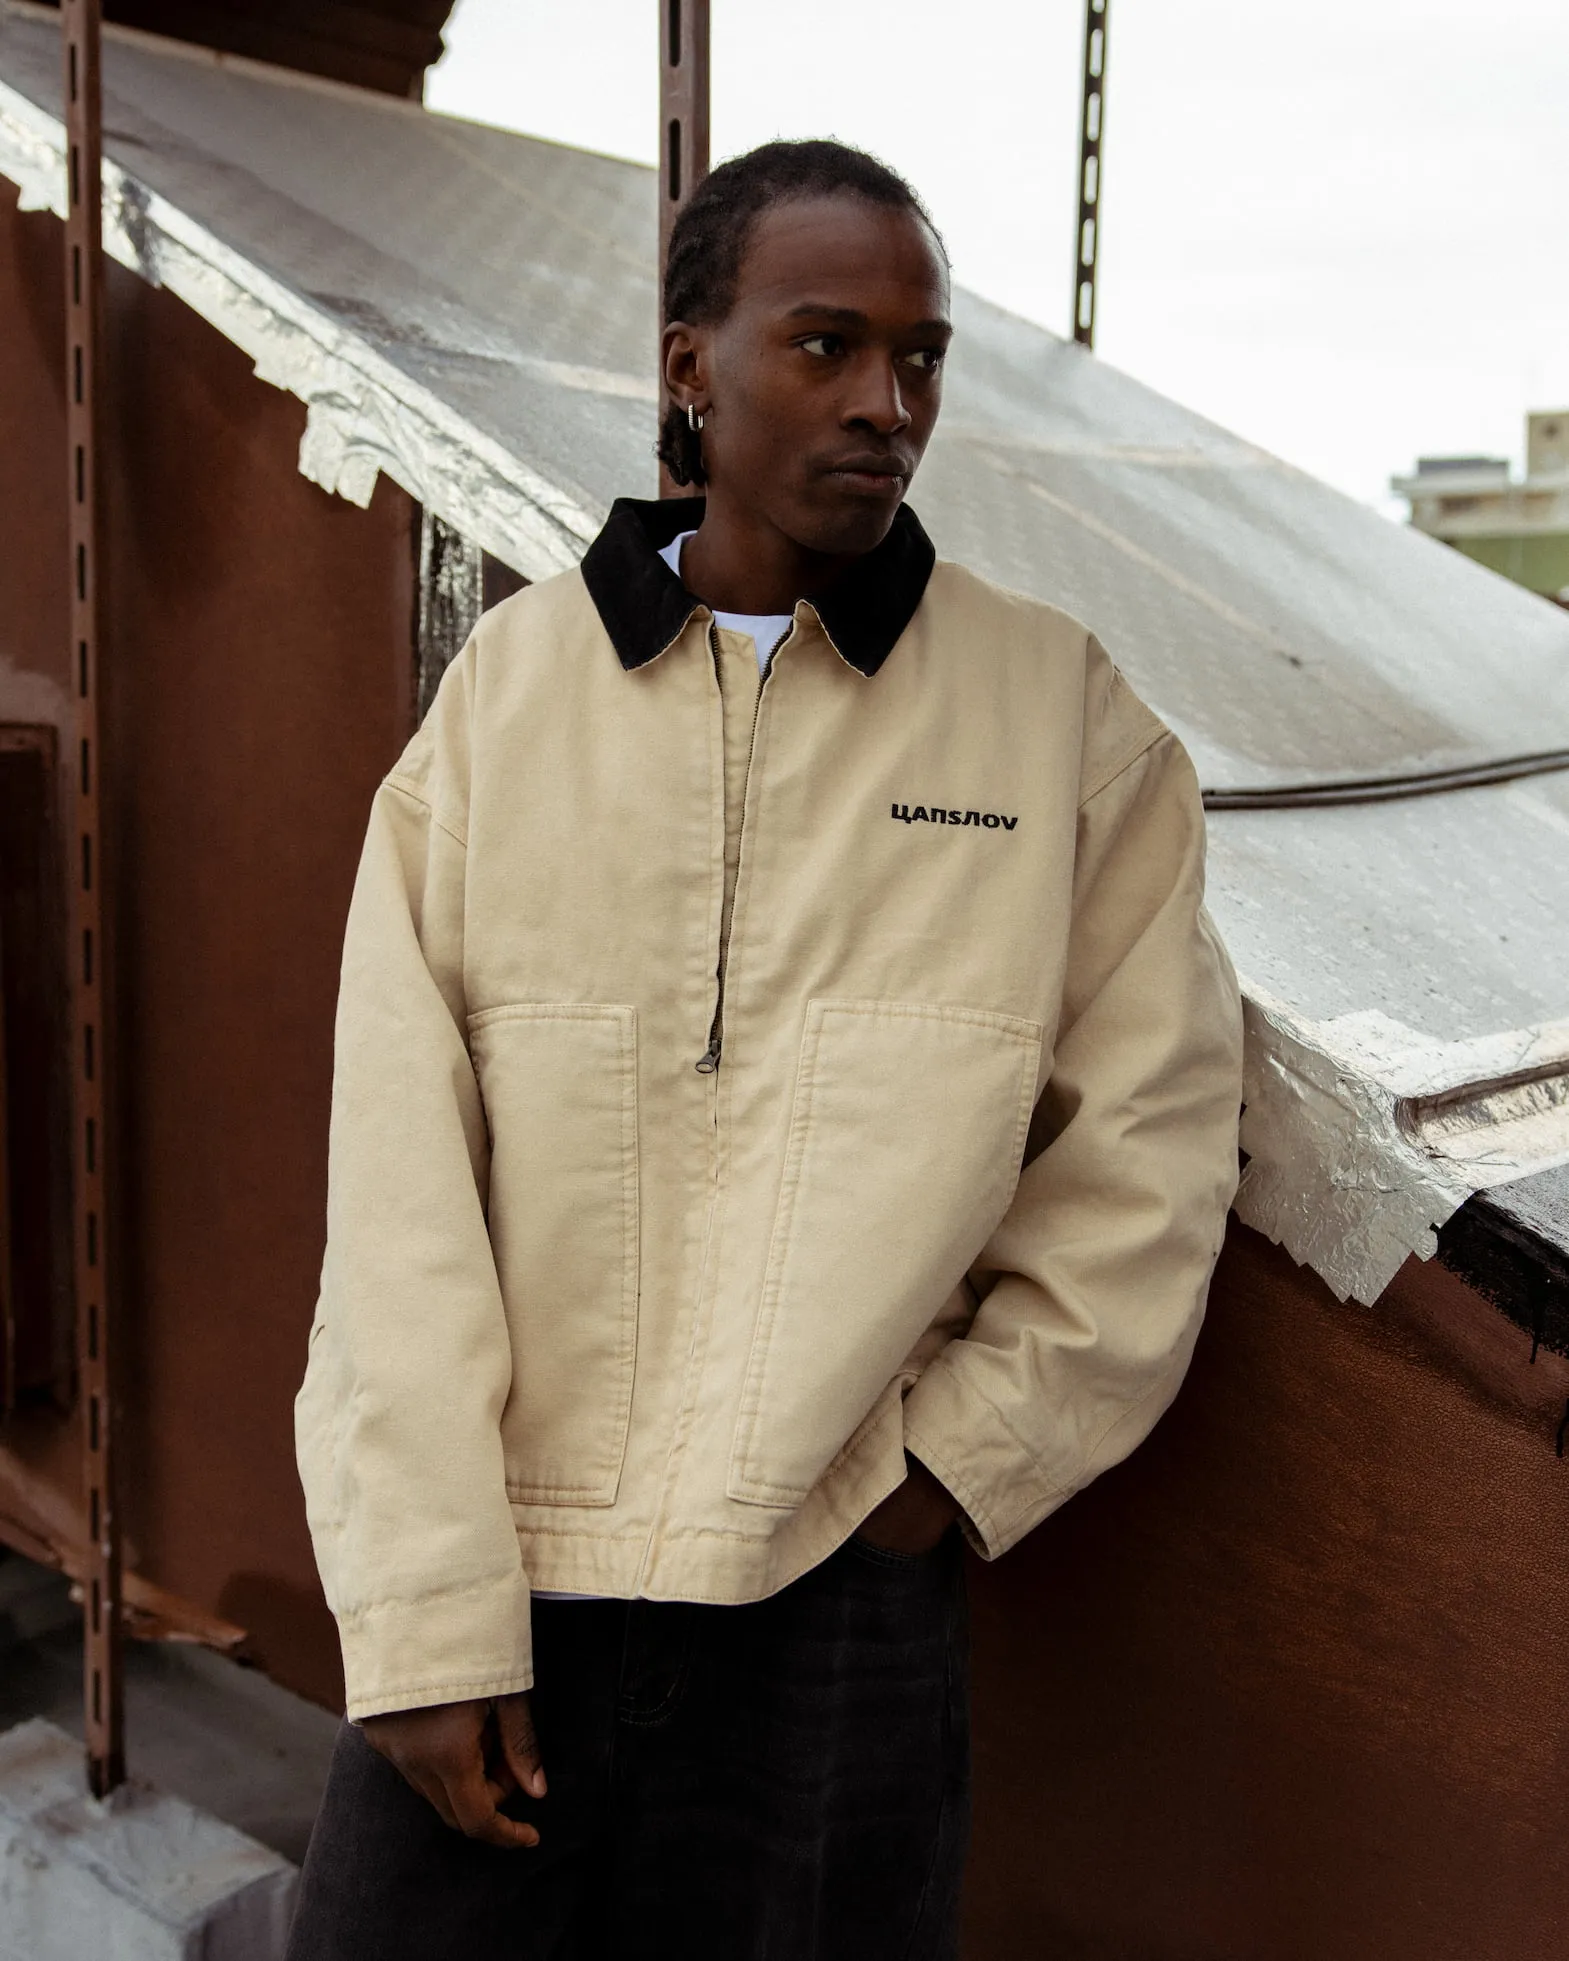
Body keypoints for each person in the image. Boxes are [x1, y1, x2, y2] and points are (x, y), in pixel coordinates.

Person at [286, 139, 1243, 1960]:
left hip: (836, 1598)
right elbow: (396, 1190)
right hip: (516, 1576)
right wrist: (423, 1619)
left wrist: (951, 1471)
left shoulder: (1063, 722)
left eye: (921, 357)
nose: (888, 403)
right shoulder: (506, 701)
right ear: (687, 371)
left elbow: (1160, 1142)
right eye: (826, 345)